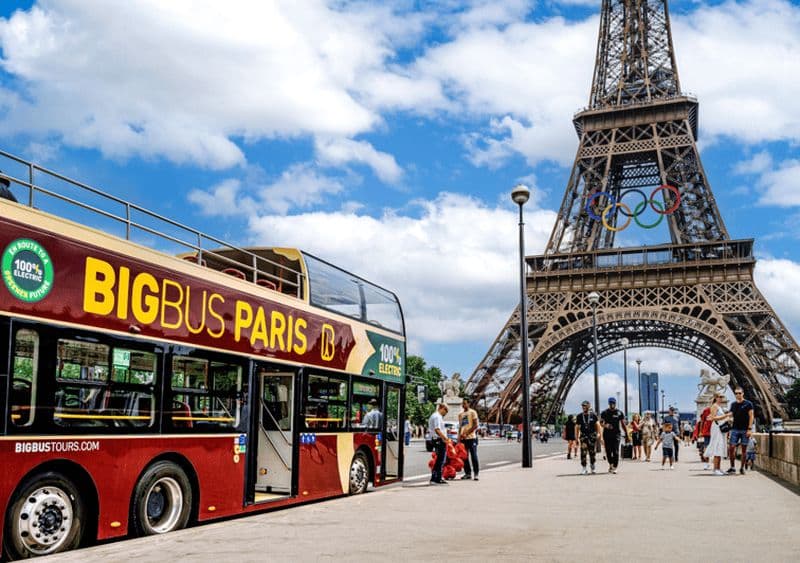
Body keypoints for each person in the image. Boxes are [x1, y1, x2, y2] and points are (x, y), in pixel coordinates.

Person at [727, 387, 754, 475]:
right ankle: (732, 467)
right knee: (731, 448)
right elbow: (730, 415)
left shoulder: (748, 403)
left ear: (743, 393)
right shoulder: (733, 404)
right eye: (736, 393)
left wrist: (749, 429)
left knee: (744, 450)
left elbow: (751, 416)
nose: (738, 395)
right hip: (735, 429)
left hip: (745, 429)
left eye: (739, 393)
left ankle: (742, 467)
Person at [704, 393, 732, 476]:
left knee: (720, 447)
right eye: (719, 397)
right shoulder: (715, 406)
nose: (721, 398)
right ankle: (715, 469)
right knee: (717, 447)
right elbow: (713, 418)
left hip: (720, 428)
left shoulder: (718, 406)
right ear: (715, 398)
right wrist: (726, 415)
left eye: (722, 397)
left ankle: (718, 468)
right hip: (717, 428)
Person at [600, 397, 628, 474]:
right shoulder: (604, 412)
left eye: (613, 403)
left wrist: (627, 434)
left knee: (615, 451)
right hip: (607, 435)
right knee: (608, 451)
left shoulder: (619, 413)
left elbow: (623, 424)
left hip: (616, 435)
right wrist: (606, 425)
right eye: (611, 403)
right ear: (609, 403)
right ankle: (611, 464)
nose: (612, 404)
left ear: (615, 403)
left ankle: (615, 467)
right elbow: (601, 423)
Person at [575, 400, 602, 475]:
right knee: (583, 452)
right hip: (583, 436)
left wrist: (599, 434)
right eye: (583, 406)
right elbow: (576, 427)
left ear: (589, 406)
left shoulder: (593, 415)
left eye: (585, 406)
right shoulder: (579, 416)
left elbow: (598, 425)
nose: (584, 407)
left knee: (592, 452)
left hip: (591, 436)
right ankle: (584, 468)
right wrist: (576, 438)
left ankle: (592, 465)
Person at [458, 398, 480, 481]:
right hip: (463, 438)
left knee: (474, 456)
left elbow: (475, 425)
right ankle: (468, 473)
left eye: (465, 403)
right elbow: (461, 427)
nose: (463, 405)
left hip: (472, 438)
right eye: (462, 404)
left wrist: (467, 433)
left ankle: (476, 473)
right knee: (464, 457)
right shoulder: (461, 414)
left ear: (468, 404)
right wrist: (459, 437)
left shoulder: (473, 412)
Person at [428, 403, 450, 485]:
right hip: (439, 440)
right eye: (446, 411)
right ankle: (436, 478)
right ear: (442, 408)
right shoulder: (437, 416)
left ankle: (437, 478)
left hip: (437, 439)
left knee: (439, 460)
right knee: (441, 460)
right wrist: (445, 438)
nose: (446, 413)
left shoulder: (435, 416)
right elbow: (437, 429)